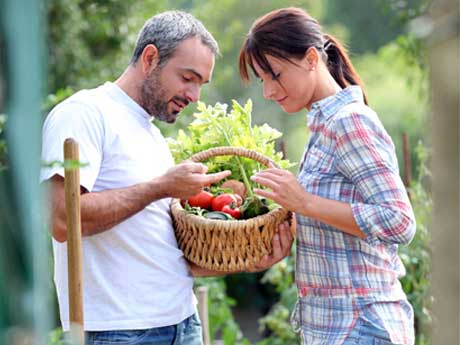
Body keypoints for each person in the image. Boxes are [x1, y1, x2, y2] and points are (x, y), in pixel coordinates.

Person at [41, 11, 293, 345]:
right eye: (187, 77)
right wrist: (161, 187)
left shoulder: (152, 137)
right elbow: (61, 219)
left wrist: (246, 261)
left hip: (182, 323)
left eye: (201, 84)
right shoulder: (85, 113)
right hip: (119, 331)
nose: (194, 96)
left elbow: (165, 254)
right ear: (150, 58)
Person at [239, 7, 416, 345]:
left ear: (310, 58)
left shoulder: (350, 121)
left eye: (274, 75)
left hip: (362, 325)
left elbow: (399, 222)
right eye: (263, 80)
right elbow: (335, 223)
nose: (269, 92)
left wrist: (304, 202)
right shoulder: (320, 129)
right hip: (334, 329)